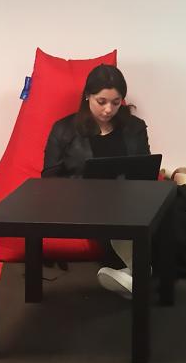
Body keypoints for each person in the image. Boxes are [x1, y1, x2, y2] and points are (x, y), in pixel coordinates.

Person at [41, 64, 150, 297]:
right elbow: (49, 180)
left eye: (116, 102)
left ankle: (133, 278)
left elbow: (144, 168)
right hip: (86, 204)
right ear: (87, 96)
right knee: (115, 216)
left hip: (131, 199)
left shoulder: (134, 127)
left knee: (168, 208)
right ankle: (141, 275)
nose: (109, 110)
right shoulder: (64, 130)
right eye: (101, 102)